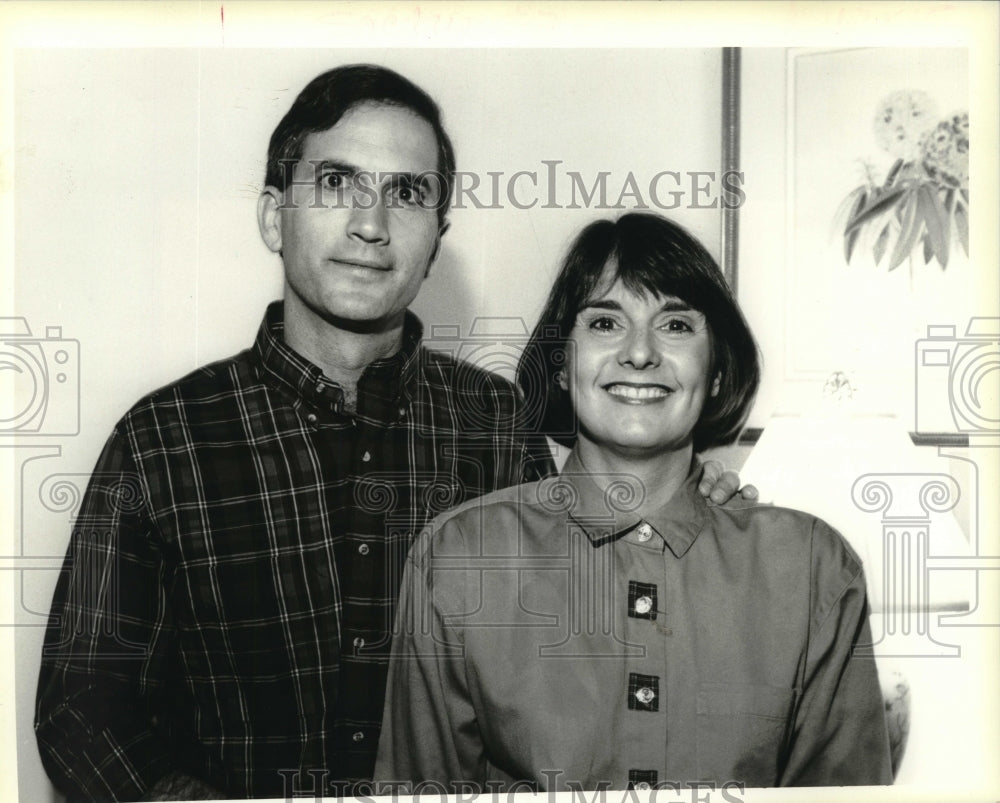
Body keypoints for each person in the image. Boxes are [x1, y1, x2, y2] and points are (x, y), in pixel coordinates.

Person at [34, 66, 749, 801]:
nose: (370, 224)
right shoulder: (163, 439)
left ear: (437, 236)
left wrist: (682, 502)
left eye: (407, 192)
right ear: (273, 215)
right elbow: (80, 706)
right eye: (338, 183)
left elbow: (584, 653)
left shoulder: (497, 423)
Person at [374, 212, 893, 791]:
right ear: (562, 366)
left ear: (717, 369)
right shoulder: (458, 559)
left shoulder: (813, 569)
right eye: (604, 323)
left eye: (674, 325)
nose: (640, 354)